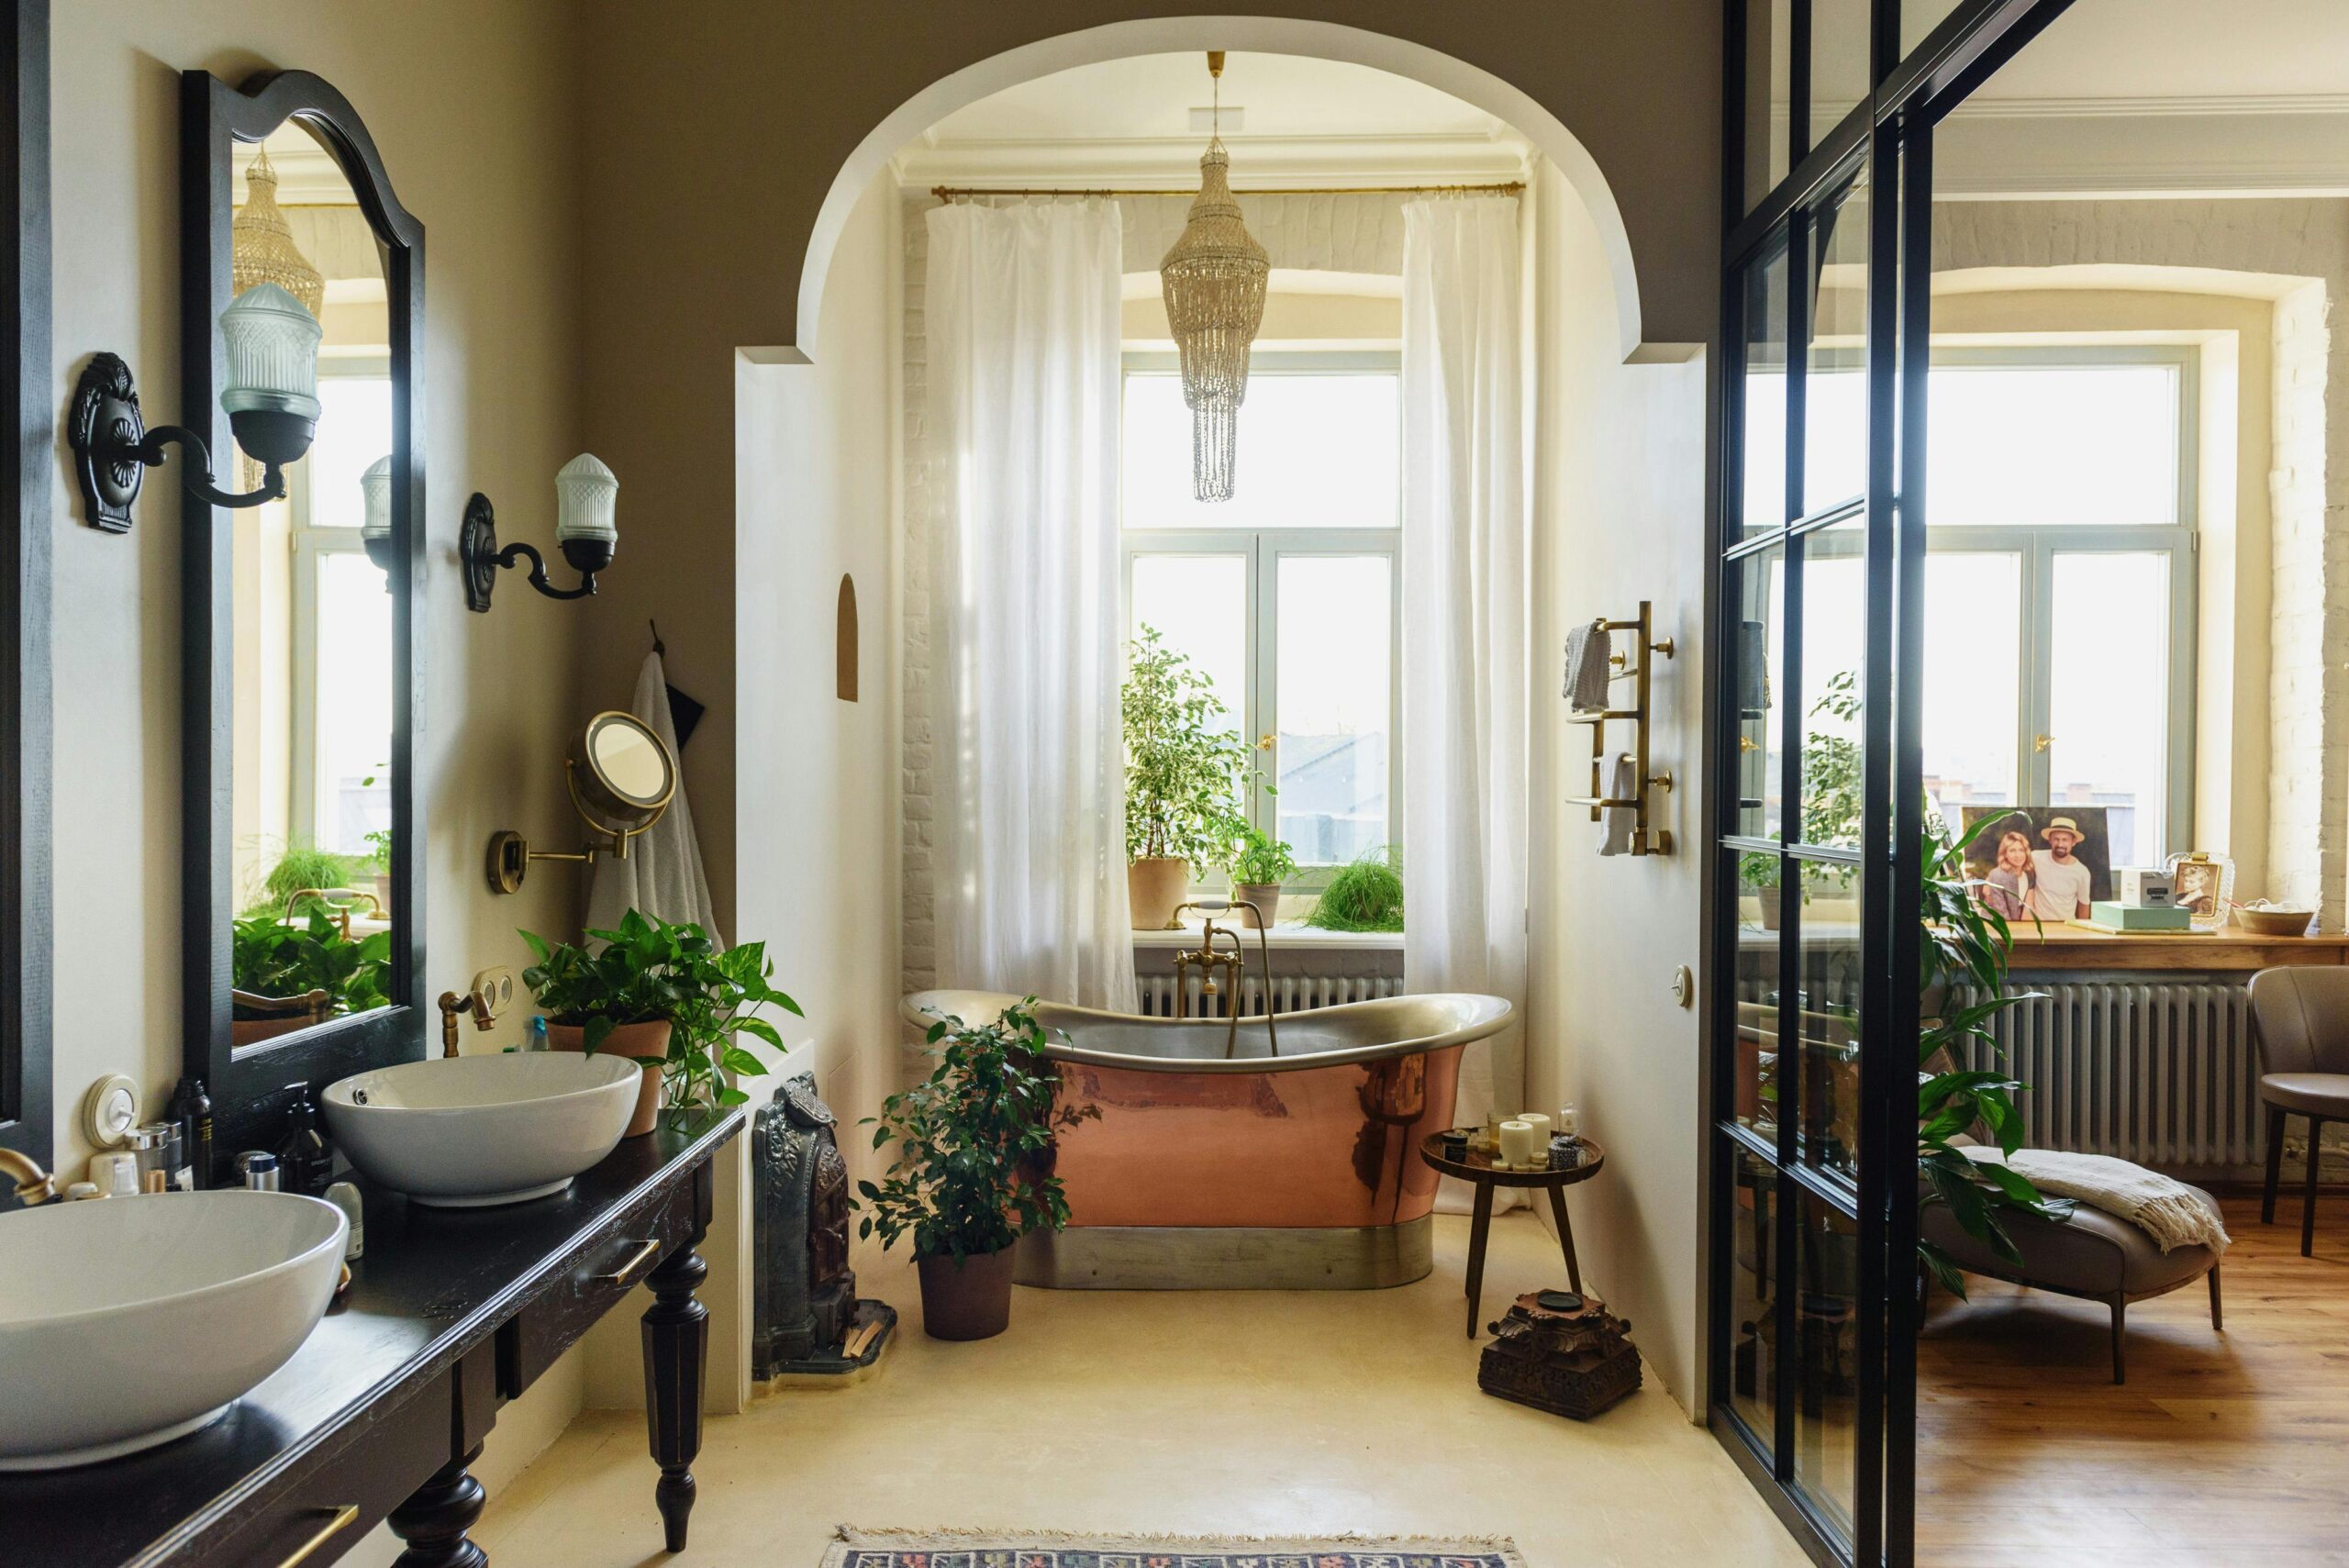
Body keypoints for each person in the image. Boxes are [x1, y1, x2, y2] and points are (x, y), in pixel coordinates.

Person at [2027, 816, 2095, 921]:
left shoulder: (2082, 872)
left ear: (2073, 842)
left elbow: (2084, 906)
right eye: (2056, 839)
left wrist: (2082, 934)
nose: (2060, 844)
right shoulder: (2035, 858)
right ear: (2050, 840)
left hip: (2066, 928)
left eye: (2065, 840)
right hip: (2038, 926)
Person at [1979, 828, 2033, 920]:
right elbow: (2001, 914)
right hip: (1995, 923)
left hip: (2016, 921)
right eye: (2012, 851)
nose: (2018, 855)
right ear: (2005, 854)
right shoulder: (1998, 875)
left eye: (2021, 850)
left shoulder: (2028, 875)